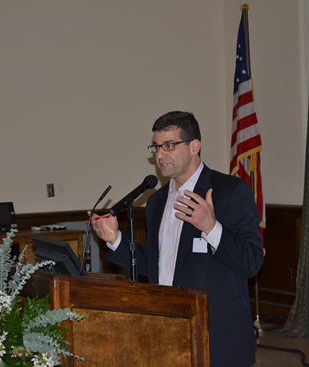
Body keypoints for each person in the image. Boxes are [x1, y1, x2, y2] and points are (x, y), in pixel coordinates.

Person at [90, 111, 264, 367]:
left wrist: (211, 226)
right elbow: (155, 265)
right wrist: (115, 239)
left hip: (217, 333)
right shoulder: (157, 202)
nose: (160, 155)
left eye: (169, 145)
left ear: (194, 147)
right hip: (168, 329)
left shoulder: (230, 191)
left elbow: (252, 262)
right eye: (156, 147)